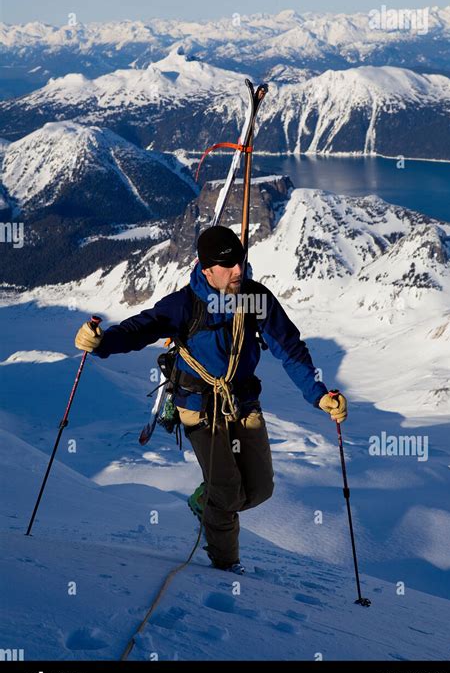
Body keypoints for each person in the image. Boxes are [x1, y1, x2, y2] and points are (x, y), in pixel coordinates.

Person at [75, 225, 347, 574]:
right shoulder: (184, 305)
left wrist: (320, 396)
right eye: (229, 265)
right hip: (199, 408)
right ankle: (225, 565)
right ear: (207, 269)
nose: (239, 270)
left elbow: (290, 350)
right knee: (228, 490)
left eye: (240, 262)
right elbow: (141, 328)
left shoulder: (255, 299)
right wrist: (101, 342)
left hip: (243, 403)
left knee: (260, 489)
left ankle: (206, 501)